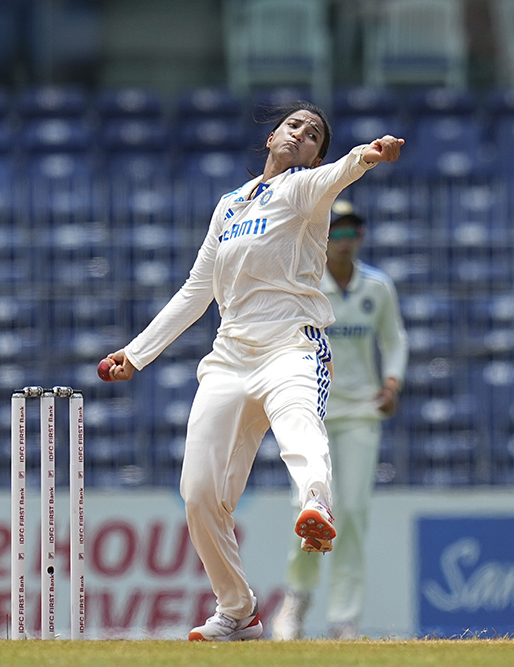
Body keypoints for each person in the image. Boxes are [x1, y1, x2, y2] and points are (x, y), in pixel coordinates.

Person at [99, 101, 404, 641]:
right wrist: (138, 352)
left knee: (298, 423)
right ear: (271, 137)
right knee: (198, 492)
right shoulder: (230, 205)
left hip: (293, 344)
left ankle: (315, 503)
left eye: (313, 136)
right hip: (230, 357)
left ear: (314, 156)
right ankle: (238, 611)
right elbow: (198, 290)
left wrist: (367, 156)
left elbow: (341, 172)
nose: (301, 136)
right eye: (294, 126)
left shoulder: (306, 189)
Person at [271, 200, 408, 641]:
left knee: (351, 512)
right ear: (323, 237)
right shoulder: (307, 286)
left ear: (361, 237)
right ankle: (297, 600)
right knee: (310, 511)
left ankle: (344, 618)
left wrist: (392, 383)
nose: (344, 240)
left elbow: (395, 339)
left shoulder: (377, 287)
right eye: (336, 231)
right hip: (312, 412)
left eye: (351, 231)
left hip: (361, 413)